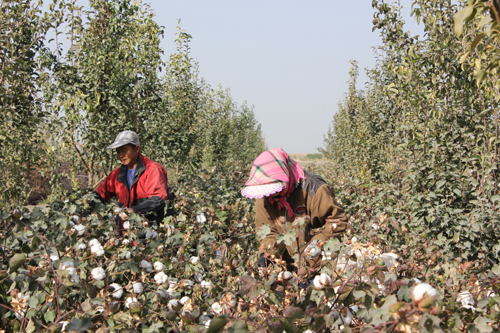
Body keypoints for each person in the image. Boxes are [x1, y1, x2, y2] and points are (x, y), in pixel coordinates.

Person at [241, 148, 348, 271]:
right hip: (284, 267)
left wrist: (317, 244)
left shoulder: (314, 189)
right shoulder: (264, 196)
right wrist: (266, 255)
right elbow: (267, 231)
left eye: (273, 189)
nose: (270, 195)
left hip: (317, 264)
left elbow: (337, 219)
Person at [88, 130, 170, 231]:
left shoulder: (152, 170)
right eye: (118, 152)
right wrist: (83, 211)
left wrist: (135, 210)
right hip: (125, 234)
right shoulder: (117, 174)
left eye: (124, 151)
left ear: (137, 148)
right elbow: (98, 195)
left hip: (149, 233)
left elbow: (158, 199)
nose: (121, 155)